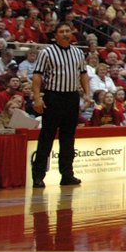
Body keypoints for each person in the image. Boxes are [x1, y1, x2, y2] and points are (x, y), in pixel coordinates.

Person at [31, 22, 91, 187]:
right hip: (53, 97)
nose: (65, 34)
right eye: (61, 31)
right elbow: (37, 76)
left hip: (72, 97)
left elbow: (83, 74)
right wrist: (37, 98)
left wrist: (87, 94)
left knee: (68, 138)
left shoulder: (78, 53)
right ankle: (38, 176)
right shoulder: (47, 52)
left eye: (68, 31)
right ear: (55, 35)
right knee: (47, 137)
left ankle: (67, 174)